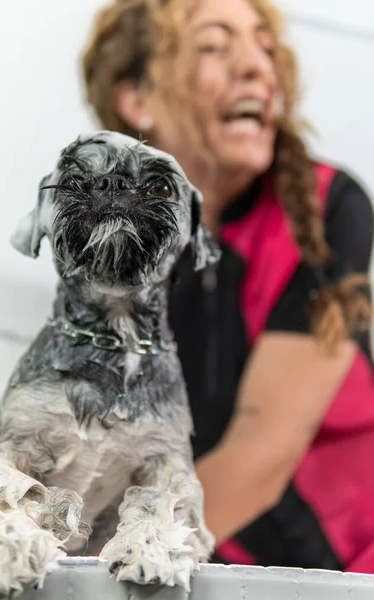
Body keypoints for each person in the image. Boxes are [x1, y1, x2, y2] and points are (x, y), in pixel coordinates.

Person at [81, 0, 374, 572]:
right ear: (138, 100)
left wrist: (93, 568)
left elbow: (261, 456)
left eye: (265, 45)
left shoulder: (327, 208)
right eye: (215, 45)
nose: (257, 67)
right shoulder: (118, 260)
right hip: (223, 570)